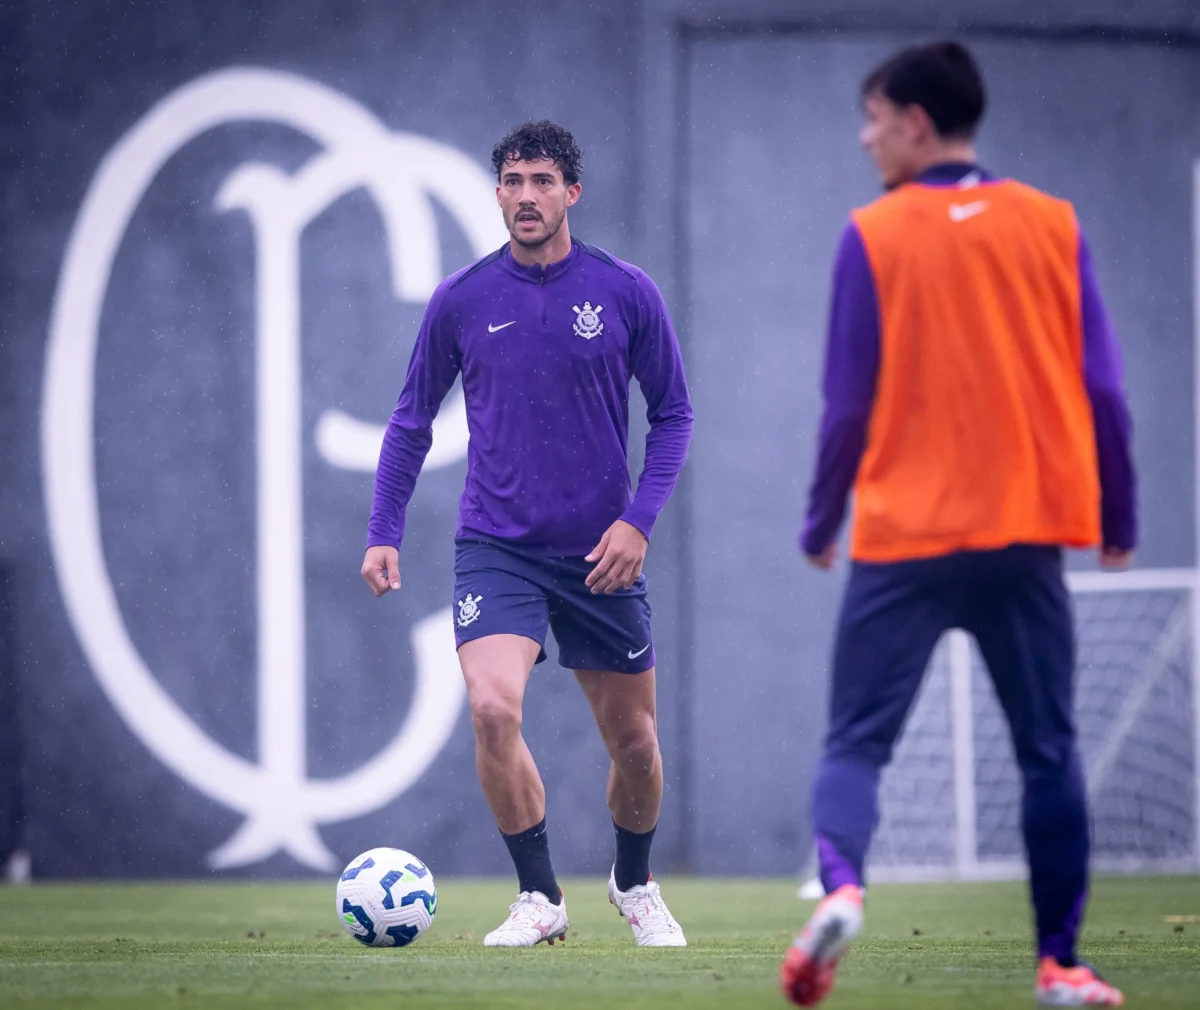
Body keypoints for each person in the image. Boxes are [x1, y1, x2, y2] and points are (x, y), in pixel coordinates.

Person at [780, 42, 1135, 1007]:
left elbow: (844, 405)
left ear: (918, 124)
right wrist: (1118, 511)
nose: (866, 137)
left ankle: (843, 885)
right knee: (1048, 752)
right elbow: (1102, 386)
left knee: (856, 744)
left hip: (904, 541)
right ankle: (1060, 963)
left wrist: (822, 521)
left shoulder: (875, 233)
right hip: (1024, 537)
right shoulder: (1051, 224)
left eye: (874, 118)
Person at [361, 120, 692, 948]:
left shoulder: (624, 292)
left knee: (638, 747)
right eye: (512, 181)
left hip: (600, 554)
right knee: (492, 709)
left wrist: (637, 523)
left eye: (543, 181)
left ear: (571, 193)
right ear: (497, 192)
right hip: (497, 547)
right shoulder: (464, 300)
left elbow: (675, 415)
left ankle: (634, 880)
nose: (526, 196)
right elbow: (410, 424)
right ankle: (540, 897)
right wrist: (383, 529)